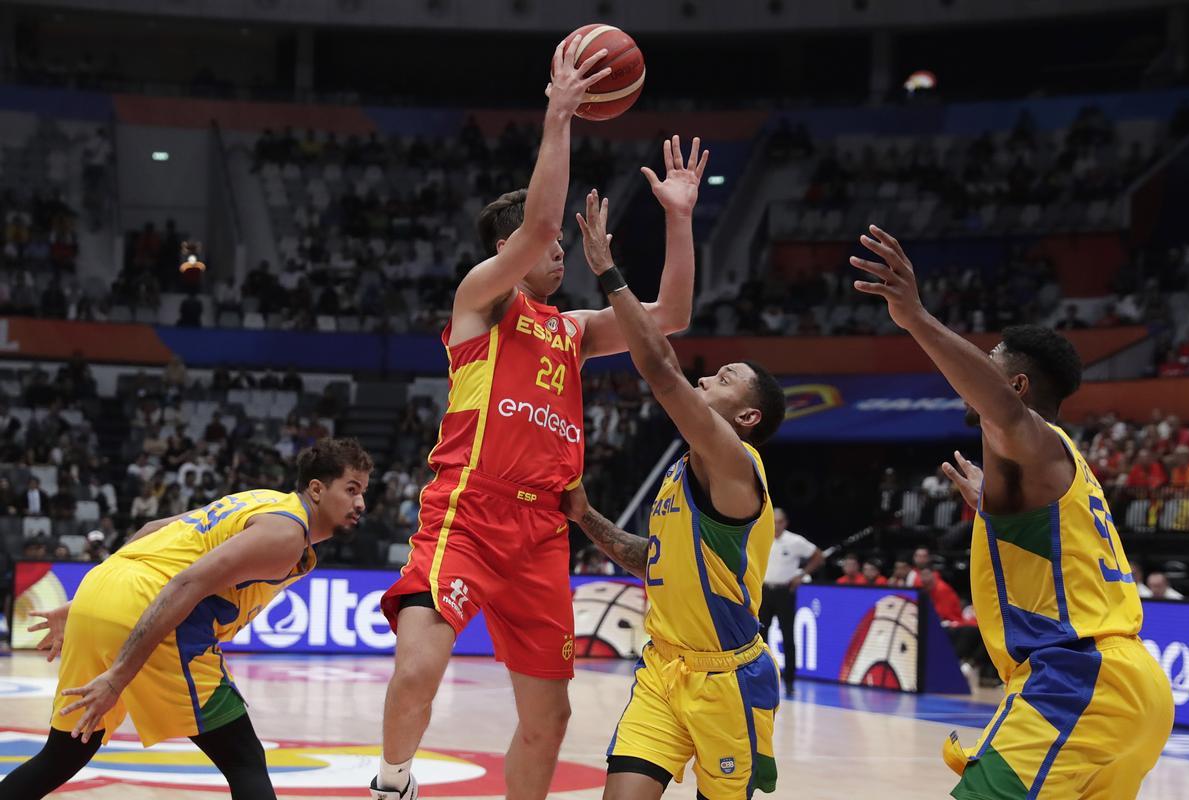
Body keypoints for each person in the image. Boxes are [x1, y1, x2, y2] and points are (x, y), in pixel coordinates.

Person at [371, 36, 710, 800]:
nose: (560, 251)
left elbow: (675, 316)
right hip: (467, 510)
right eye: (548, 243)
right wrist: (559, 117)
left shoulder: (574, 331)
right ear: (506, 250)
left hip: (541, 533)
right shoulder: (480, 304)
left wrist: (680, 219)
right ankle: (392, 782)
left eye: (559, 245)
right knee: (418, 668)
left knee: (548, 718)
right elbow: (536, 223)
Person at [852, 225, 1173, 798]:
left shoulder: (1035, 437)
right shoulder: (1058, 467)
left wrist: (916, 319)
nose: (971, 381)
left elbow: (999, 408)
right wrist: (992, 510)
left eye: (990, 362)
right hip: (1129, 685)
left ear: (1018, 385)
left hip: (1076, 681)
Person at [561, 187, 787, 799]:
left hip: (729, 681)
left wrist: (607, 271)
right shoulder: (679, 474)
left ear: (746, 419)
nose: (710, 375)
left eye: (728, 378)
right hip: (662, 669)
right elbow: (652, 560)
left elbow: (660, 366)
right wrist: (588, 519)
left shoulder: (738, 466)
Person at [2, 438, 372, 799]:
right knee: (244, 761)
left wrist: (83, 604)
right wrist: (118, 677)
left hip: (102, 586)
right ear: (317, 489)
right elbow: (187, 583)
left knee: (65, 753)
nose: (360, 503)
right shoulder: (286, 534)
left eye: (363, 492)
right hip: (150, 606)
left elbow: (151, 532)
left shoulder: (262, 501)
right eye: (351, 489)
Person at [759, 507, 824, 697]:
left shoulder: (794, 541)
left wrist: (802, 574)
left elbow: (818, 555)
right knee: (760, 637)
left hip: (785, 591)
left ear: (785, 523)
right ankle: (761, 679)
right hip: (764, 590)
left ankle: (789, 682)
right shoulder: (761, 537)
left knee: (788, 636)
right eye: (773, 521)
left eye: (779, 522)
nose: (776, 526)